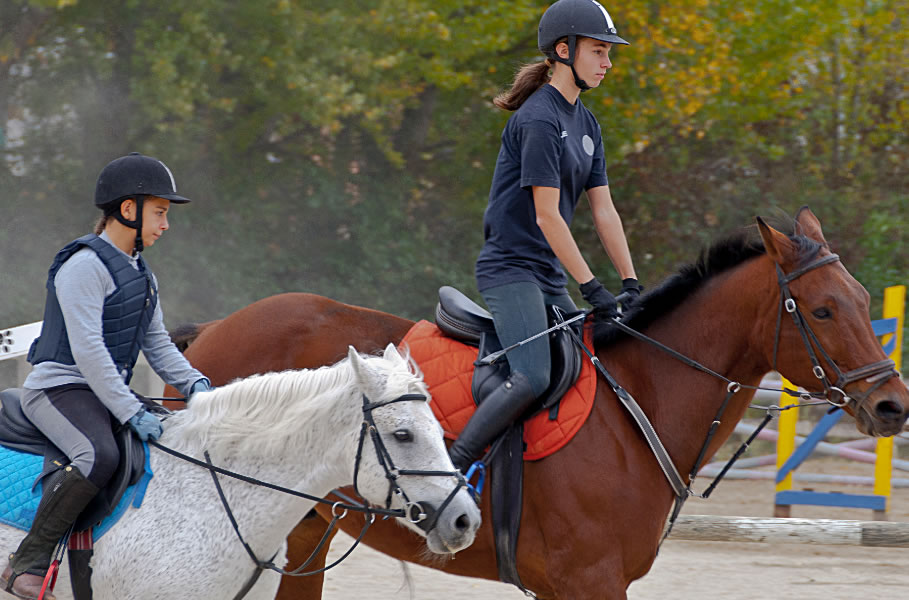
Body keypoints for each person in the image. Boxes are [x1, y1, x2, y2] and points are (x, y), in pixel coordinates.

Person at [1, 152, 211, 600]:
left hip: (103, 389)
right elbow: (89, 353)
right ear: (128, 209)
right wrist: (130, 408)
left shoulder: (142, 274)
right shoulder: (83, 266)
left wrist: (197, 386)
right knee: (98, 455)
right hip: (58, 387)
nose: (165, 224)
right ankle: (27, 562)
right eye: (160, 212)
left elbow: (157, 345)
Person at [448, 0, 640, 472]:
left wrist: (631, 283)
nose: (607, 63)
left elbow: (605, 211)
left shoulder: (587, 123)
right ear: (564, 49)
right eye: (598, 51)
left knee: (587, 369)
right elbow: (547, 216)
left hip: (548, 275)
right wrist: (593, 287)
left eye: (608, 52)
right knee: (533, 374)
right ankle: (454, 468)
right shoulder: (538, 119)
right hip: (510, 270)